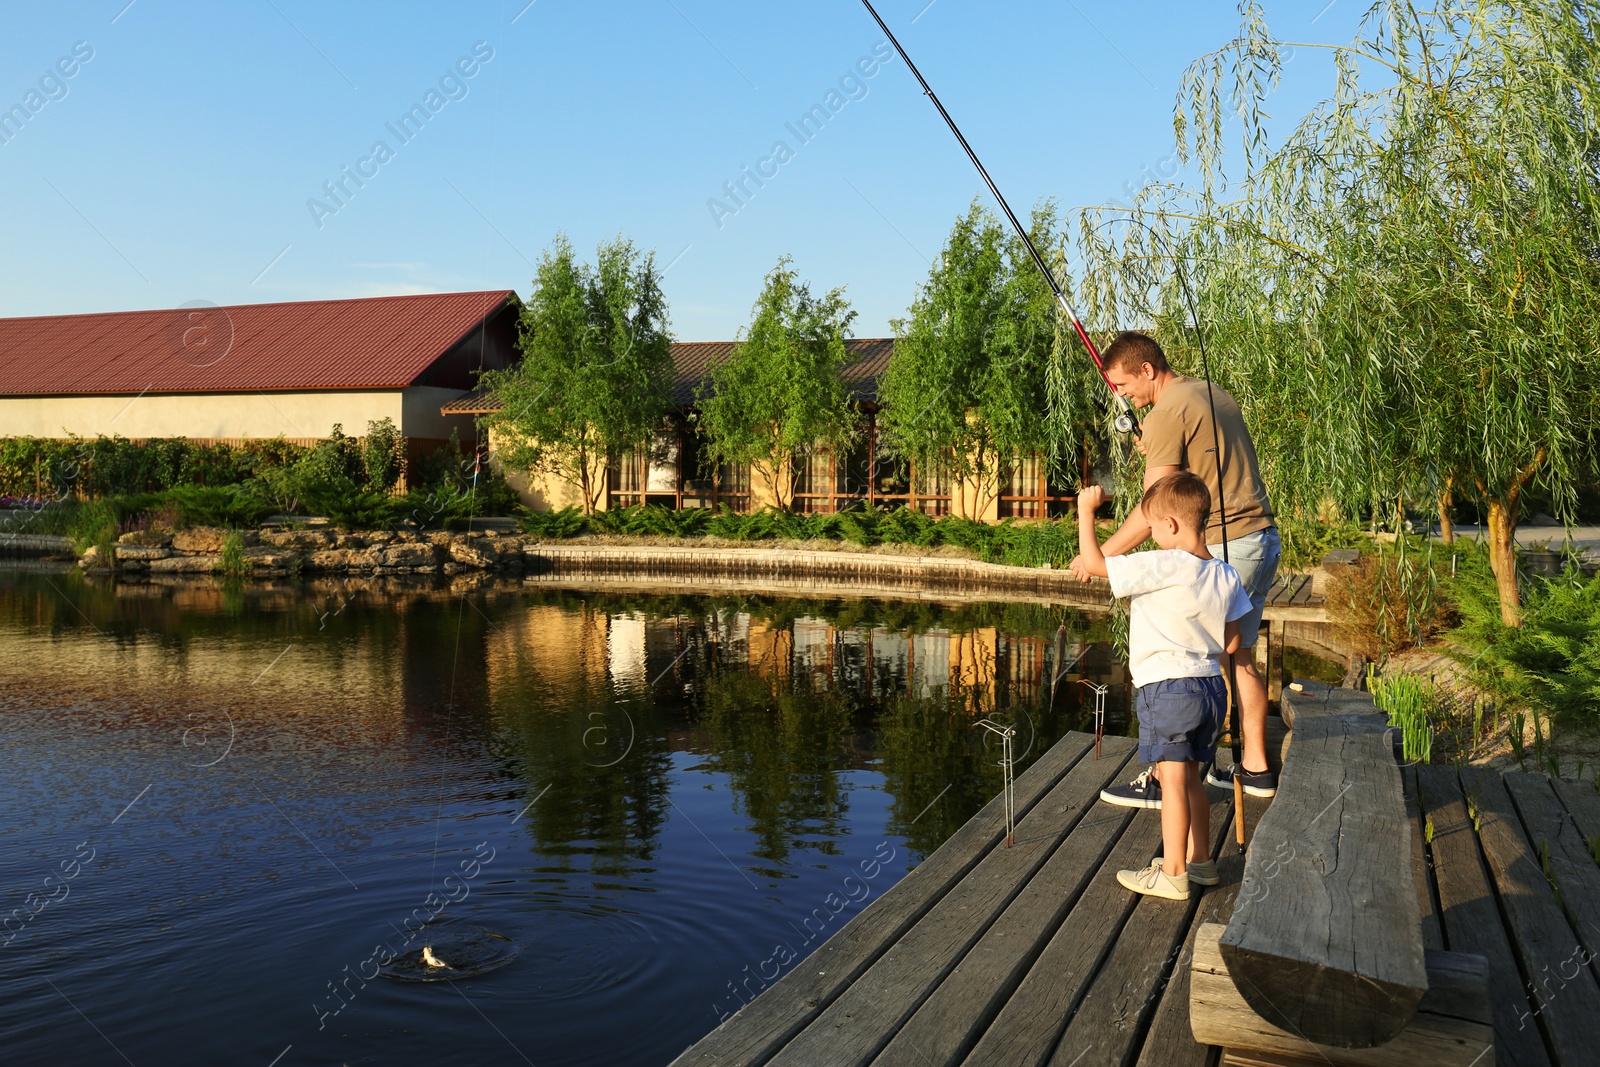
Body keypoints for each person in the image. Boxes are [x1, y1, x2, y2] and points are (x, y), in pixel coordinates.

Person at [1070, 331, 1281, 804]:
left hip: (1227, 542)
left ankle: (1169, 781)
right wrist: (1165, 450)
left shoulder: (1165, 413)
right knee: (1237, 656)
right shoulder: (1207, 392)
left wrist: (1100, 556)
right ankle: (1256, 770)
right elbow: (1202, 467)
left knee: (1187, 660)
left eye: (1123, 385)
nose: (1120, 396)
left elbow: (1154, 510)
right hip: (1261, 538)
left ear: (1147, 370)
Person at [1075, 474, 1252, 899]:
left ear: (1171, 526)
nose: (1149, 537)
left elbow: (1097, 564)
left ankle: (1172, 872)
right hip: (1211, 690)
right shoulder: (1226, 574)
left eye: (1151, 528)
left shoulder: (1164, 561)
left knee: (1171, 781)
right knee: (1192, 780)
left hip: (1169, 691)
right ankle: (1200, 862)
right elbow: (1231, 642)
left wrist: (1085, 512)